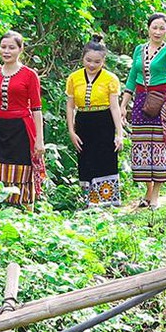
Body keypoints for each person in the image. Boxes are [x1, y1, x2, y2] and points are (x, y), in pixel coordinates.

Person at [0, 30, 46, 207]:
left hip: (21, 129)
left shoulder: (29, 75)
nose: (6, 51)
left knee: (22, 173)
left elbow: (37, 108)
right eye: (3, 47)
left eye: (11, 48)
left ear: (20, 50)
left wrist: (39, 139)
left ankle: (26, 215)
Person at [64, 34, 126, 208]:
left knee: (105, 159)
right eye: (88, 60)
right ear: (83, 57)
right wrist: (71, 130)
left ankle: (107, 202)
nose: (92, 65)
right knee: (85, 160)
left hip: (104, 122)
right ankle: (89, 202)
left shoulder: (110, 79)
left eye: (97, 62)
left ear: (103, 61)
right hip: (83, 122)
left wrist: (119, 134)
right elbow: (70, 106)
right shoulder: (74, 78)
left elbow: (114, 107)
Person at [126, 10, 166, 208]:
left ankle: (156, 195)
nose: (158, 32)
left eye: (162, 28)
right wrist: (124, 104)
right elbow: (132, 76)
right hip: (141, 100)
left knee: (158, 145)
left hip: (161, 101)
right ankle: (148, 190)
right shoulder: (139, 49)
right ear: (148, 29)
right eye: (154, 27)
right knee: (141, 145)